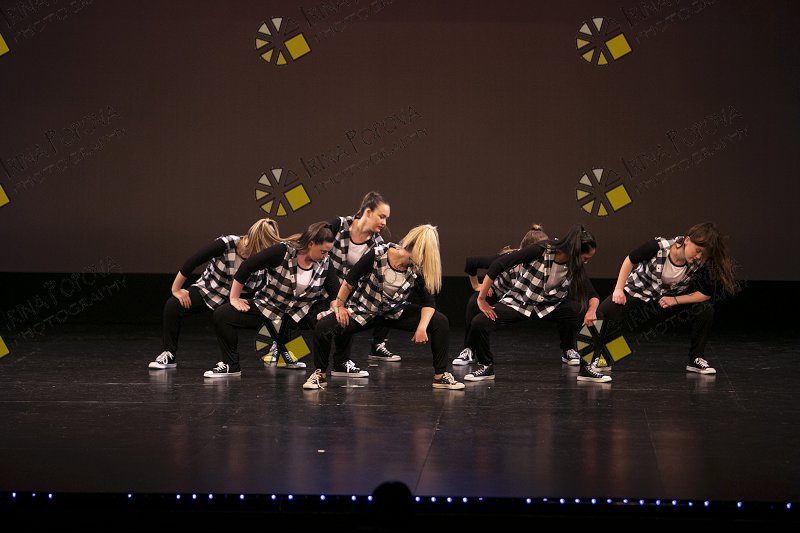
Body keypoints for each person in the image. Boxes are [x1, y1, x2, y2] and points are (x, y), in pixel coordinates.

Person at [304, 224, 464, 390]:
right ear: (417, 249)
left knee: (440, 321)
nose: (425, 260)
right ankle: (320, 374)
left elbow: (429, 303)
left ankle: (440, 376)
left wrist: (422, 327)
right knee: (323, 327)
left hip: (394, 312)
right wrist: (340, 306)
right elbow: (350, 280)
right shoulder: (378, 254)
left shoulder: (416, 267)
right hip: (364, 311)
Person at [580, 221, 737, 383]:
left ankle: (696, 359)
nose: (698, 257)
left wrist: (675, 300)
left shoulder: (698, 263)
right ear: (687, 240)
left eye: (703, 254)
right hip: (638, 291)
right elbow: (629, 259)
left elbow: (705, 295)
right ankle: (589, 363)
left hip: (664, 300)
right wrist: (619, 289)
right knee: (602, 312)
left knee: (705, 309)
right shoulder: (658, 246)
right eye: (698, 251)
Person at [464, 225, 599, 382]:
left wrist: (591, 311)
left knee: (596, 316)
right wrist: (481, 298)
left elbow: (592, 294)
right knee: (479, 323)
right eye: (585, 258)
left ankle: (586, 367)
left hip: (550, 306)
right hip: (520, 303)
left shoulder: (575, 264)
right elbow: (498, 264)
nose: (586, 262)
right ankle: (486, 366)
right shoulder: (541, 250)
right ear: (576, 251)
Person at [204, 222, 336, 378]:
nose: (325, 256)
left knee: (340, 319)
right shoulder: (283, 251)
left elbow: (335, 292)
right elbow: (247, 266)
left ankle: (335, 365)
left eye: (328, 252)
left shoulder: (325, 262)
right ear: (311, 244)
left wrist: (334, 308)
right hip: (270, 307)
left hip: (299, 312)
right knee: (222, 315)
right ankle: (231, 365)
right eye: (323, 251)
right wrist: (234, 298)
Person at [147, 218, 282, 370]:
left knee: (274, 312)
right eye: (264, 247)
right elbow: (193, 261)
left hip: (242, 296)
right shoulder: (226, 244)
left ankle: (277, 350)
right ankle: (169, 353)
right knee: (173, 305)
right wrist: (176, 289)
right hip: (211, 289)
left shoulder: (267, 255)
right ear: (255, 242)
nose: (266, 252)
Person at [452, 224, 549, 366]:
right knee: (474, 303)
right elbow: (471, 262)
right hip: (500, 294)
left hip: (524, 300)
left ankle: (568, 350)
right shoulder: (510, 259)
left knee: (566, 308)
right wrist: (477, 286)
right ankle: (468, 349)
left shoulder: (548, 264)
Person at [327, 191, 400, 364]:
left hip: (352, 293)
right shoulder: (339, 225)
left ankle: (375, 346)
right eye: (381, 217)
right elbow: (321, 257)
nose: (384, 223)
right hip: (326, 287)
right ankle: (279, 346)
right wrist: (334, 297)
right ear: (368, 212)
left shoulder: (378, 244)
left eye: (386, 218)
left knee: (387, 296)